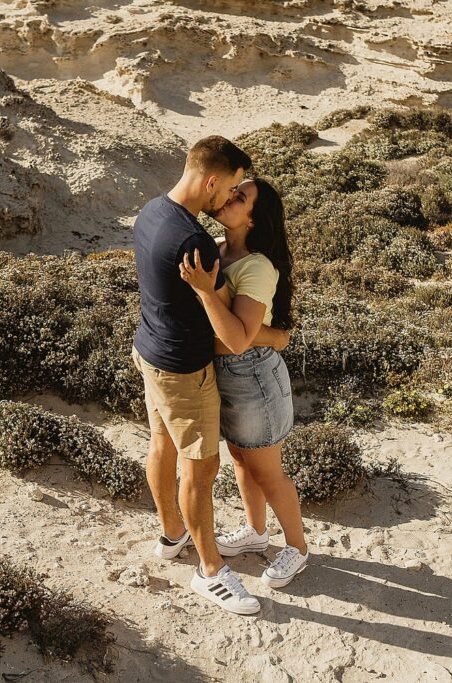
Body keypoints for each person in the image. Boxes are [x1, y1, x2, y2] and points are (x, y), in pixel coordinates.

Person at [131, 136, 289, 615]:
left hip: (149, 350)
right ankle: (211, 571)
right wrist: (275, 337)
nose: (229, 197)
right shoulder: (196, 242)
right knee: (199, 469)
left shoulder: (152, 211)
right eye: (233, 187)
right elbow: (235, 329)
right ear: (213, 180)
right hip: (183, 367)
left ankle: (172, 535)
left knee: (161, 446)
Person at [179, 177, 309, 589]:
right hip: (228, 376)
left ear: (254, 219)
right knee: (240, 458)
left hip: (252, 375)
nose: (229, 197)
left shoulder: (256, 266)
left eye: (241, 197)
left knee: (268, 471)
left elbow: (238, 337)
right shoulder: (219, 252)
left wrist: (203, 293)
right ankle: (256, 530)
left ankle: (298, 547)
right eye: (234, 191)